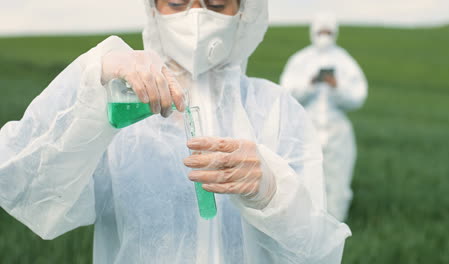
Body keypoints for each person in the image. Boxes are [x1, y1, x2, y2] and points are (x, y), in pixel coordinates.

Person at [0, 1, 351, 263]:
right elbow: (19, 182)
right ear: (153, 9)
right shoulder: (118, 113)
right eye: (177, 2)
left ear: (245, 10)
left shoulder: (276, 111)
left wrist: (273, 193)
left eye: (216, 3)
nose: (196, 16)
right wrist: (94, 78)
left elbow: (318, 254)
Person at [280, 13, 368, 221]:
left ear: (335, 33)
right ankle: (304, 226)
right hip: (305, 129)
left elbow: (358, 96)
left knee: (337, 182)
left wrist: (337, 88)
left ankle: (336, 228)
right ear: (313, 32)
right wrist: (309, 85)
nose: (324, 36)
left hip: (337, 131)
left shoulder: (345, 61)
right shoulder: (300, 60)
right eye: (321, 32)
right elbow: (285, 92)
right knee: (303, 180)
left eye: (328, 32)